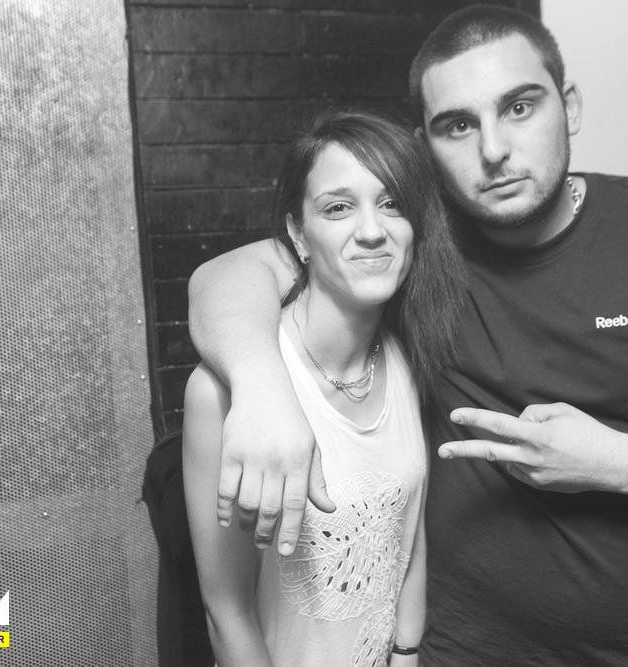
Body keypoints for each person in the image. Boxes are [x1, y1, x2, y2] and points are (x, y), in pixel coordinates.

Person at [186, 6, 628, 665]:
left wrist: (617, 461)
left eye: (519, 107)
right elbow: (223, 279)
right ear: (426, 146)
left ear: (568, 106)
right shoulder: (412, 242)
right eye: (458, 125)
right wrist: (260, 390)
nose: (492, 149)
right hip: (465, 651)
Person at [181, 110, 466, 666]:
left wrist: (406, 651)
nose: (372, 230)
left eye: (392, 204)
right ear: (298, 234)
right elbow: (226, 613)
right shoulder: (223, 394)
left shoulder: (403, 354)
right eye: (338, 208)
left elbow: (407, 534)